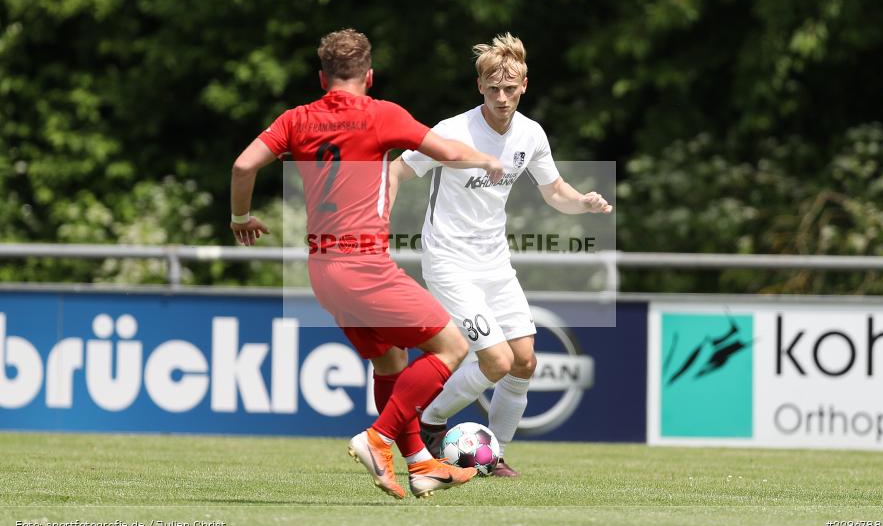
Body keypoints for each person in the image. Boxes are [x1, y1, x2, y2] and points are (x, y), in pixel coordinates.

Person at [229, 28, 504, 499]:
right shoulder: (381, 115)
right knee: (452, 347)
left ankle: (419, 464)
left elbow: (242, 166)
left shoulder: (296, 119)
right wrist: (488, 160)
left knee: (390, 360)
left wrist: (241, 217)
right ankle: (377, 438)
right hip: (364, 265)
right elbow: (449, 152)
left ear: (322, 78)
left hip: (323, 270)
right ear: (370, 76)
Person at [389, 33, 613, 477]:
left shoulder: (531, 134)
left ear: (524, 86)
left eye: (510, 89)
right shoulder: (452, 132)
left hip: (495, 262)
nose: (502, 97)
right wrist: (377, 219)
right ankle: (430, 420)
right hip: (449, 260)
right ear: (480, 87)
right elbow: (396, 169)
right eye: (493, 88)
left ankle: (495, 456)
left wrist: (582, 202)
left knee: (525, 361)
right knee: (496, 361)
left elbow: (555, 192)